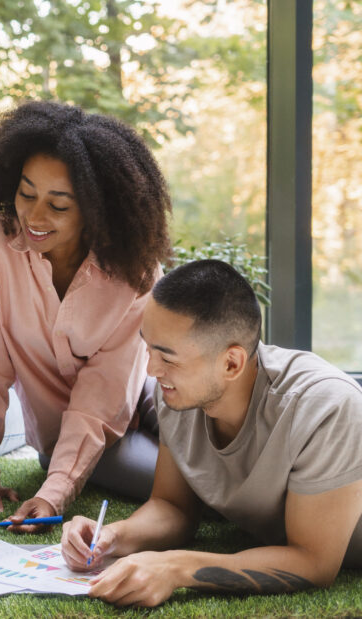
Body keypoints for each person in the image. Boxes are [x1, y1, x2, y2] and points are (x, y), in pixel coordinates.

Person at [61, 260, 362, 607]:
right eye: (148, 348)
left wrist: (177, 567)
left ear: (231, 363)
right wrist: (113, 536)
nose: (151, 370)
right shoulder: (178, 393)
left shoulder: (326, 407)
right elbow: (172, 506)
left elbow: (314, 562)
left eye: (167, 358)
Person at [0, 100, 171, 531]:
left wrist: (52, 492)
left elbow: (107, 389)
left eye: (58, 205)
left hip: (143, 390)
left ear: (96, 207)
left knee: (214, 443)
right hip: (92, 437)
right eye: (26, 194)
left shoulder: (135, 270)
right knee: (186, 485)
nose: (34, 216)